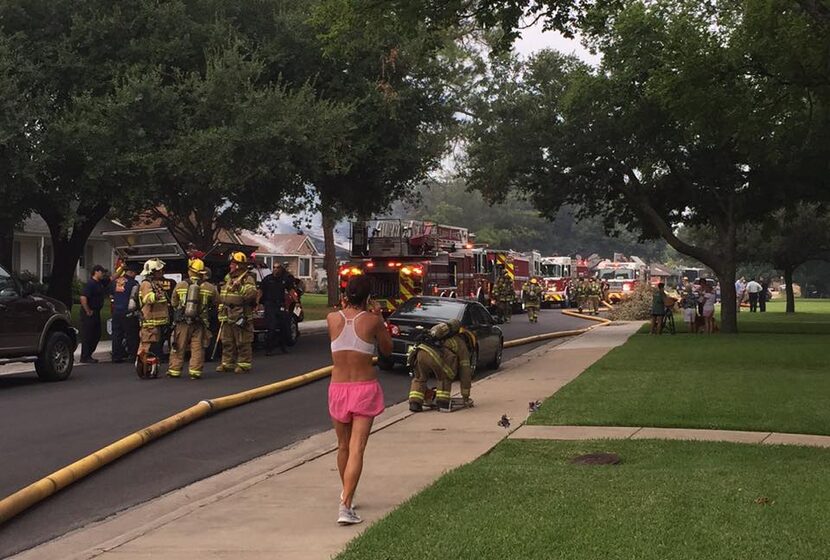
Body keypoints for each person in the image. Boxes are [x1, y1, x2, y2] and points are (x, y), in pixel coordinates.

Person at [327, 275, 392, 525]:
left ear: (345, 295)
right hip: (364, 388)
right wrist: (381, 319)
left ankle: (348, 495)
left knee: (343, 446)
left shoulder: (333, 319)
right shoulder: (373, 321)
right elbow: (386, 349)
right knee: (357, 448)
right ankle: (345, 505)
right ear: (368, 297)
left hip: (337, 387)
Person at [408, 319, 474, 413]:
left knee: (420, 378)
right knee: (444, 377)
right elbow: (465, 371)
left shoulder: (437, 335)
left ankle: (415, 403)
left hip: (420, 352)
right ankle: (442, 402)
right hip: (435, 355)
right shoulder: (460, 343)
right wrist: (465, 395)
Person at [167, 258, 217, 379]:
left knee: (179, 345)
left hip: (182, 322)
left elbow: (174, 303)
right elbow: (216, 302)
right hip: (200, 322)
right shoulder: (210, 287)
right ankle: (195, 371)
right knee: (197, 347)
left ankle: (175, 370)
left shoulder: (181, 285)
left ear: (190, 271)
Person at [217, 252, 258, 374]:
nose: (230, 265)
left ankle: (243, 364)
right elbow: (223, 294)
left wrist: (240, 287)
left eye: (233, 263)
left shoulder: (247, 279)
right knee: (227, 341)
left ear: (239, 265)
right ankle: (227, 364)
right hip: (228, 314)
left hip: (241, 314)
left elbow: (251, 295)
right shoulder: (228, 278)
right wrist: (221, 309)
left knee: (243, 341)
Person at [137, 258, 170, 378]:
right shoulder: (146, 284)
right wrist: (156, 295)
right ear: (152, 271)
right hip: (149, 321)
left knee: (154, 347)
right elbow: (147, 299)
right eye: (159, 270)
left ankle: (150, 368)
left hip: (156, 321)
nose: (162, 272)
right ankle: (144, 369)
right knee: (146, 346)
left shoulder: (155, 283)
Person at [258, 261, 296, 355]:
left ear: (281, 269)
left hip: (280, 305)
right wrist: (257, 303)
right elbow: (260, 291)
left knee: (284, 326)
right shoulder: (267, 279)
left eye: (277, 267)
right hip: (269, 305)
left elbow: (291, 290)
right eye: (274, 267)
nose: (275, 269)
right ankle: (269, 349)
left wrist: (297, 301)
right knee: (271, 327)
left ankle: (283, 347)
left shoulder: (284, 279)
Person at [109, 261, 140, 363]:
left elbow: (111, 294)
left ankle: (116, 356)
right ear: (131, 272)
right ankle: (132, 355)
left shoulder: (116, 281)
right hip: (127, 312)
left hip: (116, 311)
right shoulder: (134, 283)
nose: (136, 275)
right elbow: (135, 298)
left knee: (117, 334)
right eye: (135, 273)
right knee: (131, 334)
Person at [79, 265, 110, 363]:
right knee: (88, 334)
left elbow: (112, 278)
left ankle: (89, 354)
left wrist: (122, 268)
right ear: (96, 272)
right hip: (89, 312)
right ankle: (85, 356)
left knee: (97, 334)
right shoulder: (90, 284)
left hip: (96, 311)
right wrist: (87, 310)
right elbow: (83, 298)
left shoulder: (100, 283)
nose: (103, 274)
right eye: (101, 272)